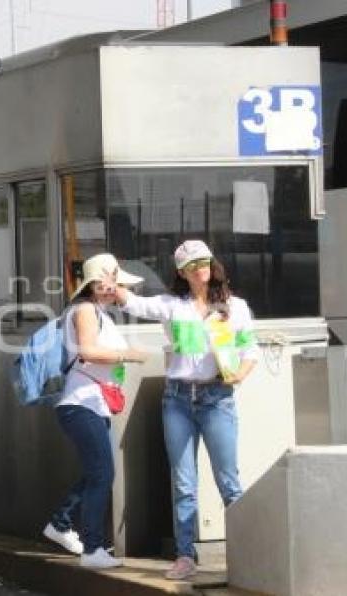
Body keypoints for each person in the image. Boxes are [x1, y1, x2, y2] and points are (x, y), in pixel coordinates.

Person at [113, 240, 259, 581]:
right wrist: (114, 284)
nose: (200, 268)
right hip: (177, 399)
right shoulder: (171, 305)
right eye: (192, 264)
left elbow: (250, 349)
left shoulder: (235, 307)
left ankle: (248, 553)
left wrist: (240, 374)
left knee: (228, 480)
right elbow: (135, 302)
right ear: (182, 272)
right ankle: (184, 555)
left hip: (217, 397)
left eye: (204, 261)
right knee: (183, 482)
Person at [43, 254, 147, 569]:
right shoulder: (86, 310)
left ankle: (61, 524)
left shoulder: (93, 310)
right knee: (103, 473)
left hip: (90, 402)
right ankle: (92, 549)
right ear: (100, 283)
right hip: (82, 402)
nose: (118, 290)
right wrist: (127, 355)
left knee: (96, 472)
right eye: (114, 283)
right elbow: (87, 350)